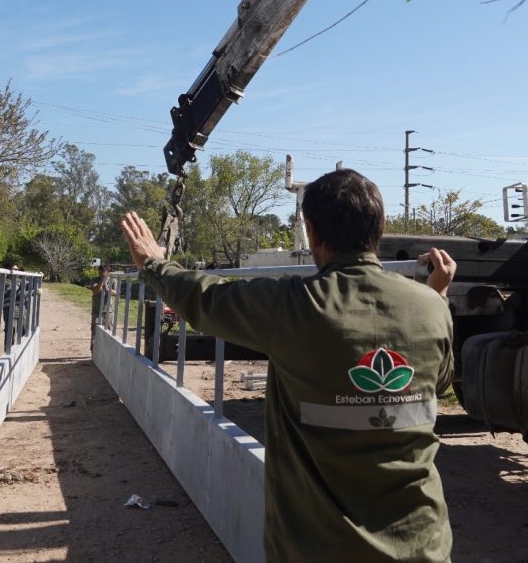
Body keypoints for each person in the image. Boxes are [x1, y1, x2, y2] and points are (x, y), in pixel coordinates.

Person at [120, 169, 457, 562]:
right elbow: (441, 380)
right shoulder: (431, 306)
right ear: (380, 228)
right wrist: (438, 296)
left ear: (311, 232)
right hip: (423, 546)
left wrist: (155, 264)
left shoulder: (293, 306)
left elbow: (203, 297)